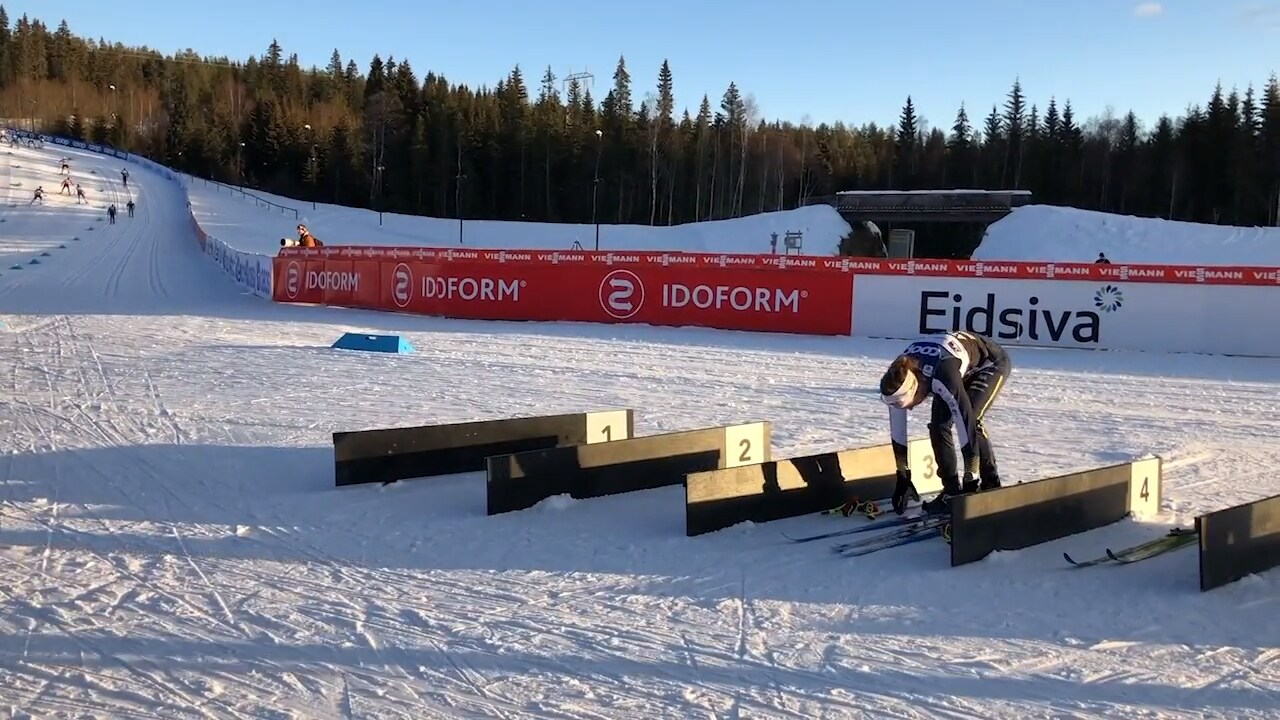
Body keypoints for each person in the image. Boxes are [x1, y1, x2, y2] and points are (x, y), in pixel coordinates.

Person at [878, 330, 1013, 515]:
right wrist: (903, 476)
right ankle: (950, 490)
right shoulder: (898, 380)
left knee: (973, 418)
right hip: (951, 366)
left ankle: (991, 483)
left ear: (916, 389)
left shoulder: (942, 376)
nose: (907, 409)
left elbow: (965, 424)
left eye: (906, 404)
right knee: (938, 427)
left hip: (989, 364)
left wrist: (970, 479)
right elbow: (898, 433)